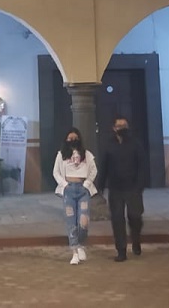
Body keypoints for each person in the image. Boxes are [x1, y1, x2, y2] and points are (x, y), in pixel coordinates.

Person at [96, 114, 146, 261]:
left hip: (133, 187)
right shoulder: (108, 145)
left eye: (124, 126)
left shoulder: (136, 144)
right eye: (119, 126)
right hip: (115, 189)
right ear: (114, 128)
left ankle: (136, 239)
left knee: (135, 217)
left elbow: (142, 166)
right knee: (117, 219)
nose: (122, 129)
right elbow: (104, 165)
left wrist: (140, 185)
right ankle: (121, 250)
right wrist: (100, 186)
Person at [52, 127, 98, 266]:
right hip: (69, 190)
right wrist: (64, 184)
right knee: (71, 221)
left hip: (83, 190)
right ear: (66, 140)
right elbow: (56, 172)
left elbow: (94, 170)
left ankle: (81, 244)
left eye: (75, 138)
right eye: (70, 138)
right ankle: (75, 252)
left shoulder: (87, 155)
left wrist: (87, 183)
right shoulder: (61, 155)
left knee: (84, 221)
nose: (73, 140)